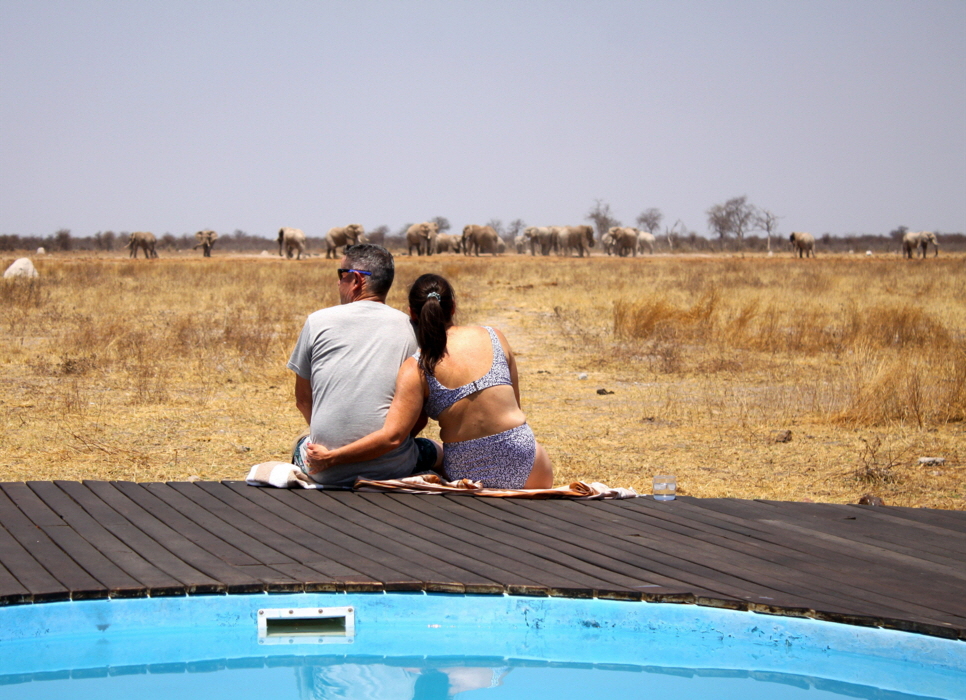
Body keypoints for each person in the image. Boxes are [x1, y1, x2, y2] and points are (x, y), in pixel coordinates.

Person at [305, 273, 553, 489]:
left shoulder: (418, 366)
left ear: (412, 313)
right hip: (529, 466)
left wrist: (333, 458)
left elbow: (393, 437)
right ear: (453, 307)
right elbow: (516, 407)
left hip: (467, 473)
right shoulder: (494, 336)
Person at [287, 245, 440, 487]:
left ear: (357, 279)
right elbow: (419, 414)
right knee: (434, 449)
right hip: (393, 467)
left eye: (341, 274)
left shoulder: (317, 322)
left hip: (324, 469)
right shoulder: (411, 328)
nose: (338, 282)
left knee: (300, 443)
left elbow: (303, 401)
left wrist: (333, 438)